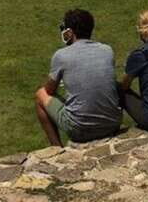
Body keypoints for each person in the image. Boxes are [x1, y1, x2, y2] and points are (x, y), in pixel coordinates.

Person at [35, 9, 122, 146]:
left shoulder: (61, 55)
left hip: (80, 130)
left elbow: (49, 91)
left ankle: (56, 149)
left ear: (69, 32)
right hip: (112, 124)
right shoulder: (107, 50)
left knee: (40, 94)